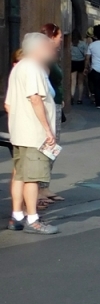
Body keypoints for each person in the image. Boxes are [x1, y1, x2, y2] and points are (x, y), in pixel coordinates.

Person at [4, 32, 59, 235]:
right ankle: (33, 219)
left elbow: (8, 104)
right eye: (48, 47)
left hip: (19, 132)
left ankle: (17, 216)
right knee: (32, 178)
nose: (51, 51)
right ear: (38, 49)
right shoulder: (34, 68)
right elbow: (35, 99)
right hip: (33, 133)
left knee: (19, 175)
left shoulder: (18, 68)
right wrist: (47, 129)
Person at [68, 30, 87, 104]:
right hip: (81, 62)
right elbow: (86, 54)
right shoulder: (83, 44)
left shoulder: (70, 43)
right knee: (80, 82)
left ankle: (72, 96)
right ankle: (79, 99)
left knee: (73, 81)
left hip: (72, 62)